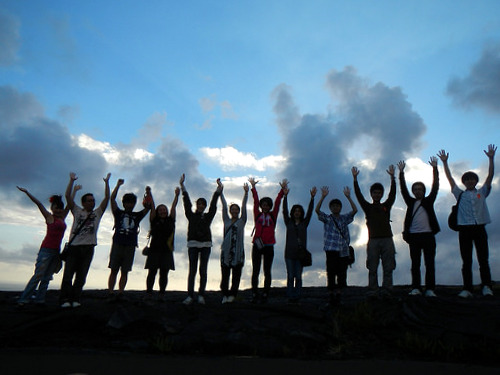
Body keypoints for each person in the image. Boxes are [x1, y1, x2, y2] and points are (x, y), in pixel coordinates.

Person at [438, 145, 496, 298]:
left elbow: (490, 177)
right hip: (464, 230)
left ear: (476, 181)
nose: (470, 181)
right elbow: (450, 180)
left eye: (472, 179)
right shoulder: (460, 194)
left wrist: (491, 158)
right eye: (467, 179)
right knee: (466, 260)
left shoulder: (482, 192)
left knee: (483, 259)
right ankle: (467, 288)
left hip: (479, 228)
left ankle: (486, 286)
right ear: (464, 182)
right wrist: (444, 163)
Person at [16, 185, 78, 306]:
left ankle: (40, 299)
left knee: (47, 277)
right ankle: (24, 299)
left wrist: (74, 190)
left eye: (60, 208)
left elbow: (70, 205)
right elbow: (39, 204)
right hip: (46, 250)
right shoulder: (49, 217)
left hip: (56, 251)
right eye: (56, 208)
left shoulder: (62, 218)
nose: (59, 210)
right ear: (52, 208)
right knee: (38, 276)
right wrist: (27, 192)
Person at [60, 172, 111, 308]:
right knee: (68, 274)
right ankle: (65, 299)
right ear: (83, 203)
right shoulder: (77, 211)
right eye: (89, 200)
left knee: (81, 276)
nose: (92, 202)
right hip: (74, 247)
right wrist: (71, 181)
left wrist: (107, 183)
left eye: (93, 200)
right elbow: (67, 197)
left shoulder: (97, 213)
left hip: (89, 248)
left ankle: (76, 298)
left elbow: (107, 197)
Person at [398, 157, 440, 297]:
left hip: (428, 236)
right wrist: (401, 173)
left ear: (424, 190)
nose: (417, 191)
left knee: (429, 264)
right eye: (415, 189)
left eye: (420, 189)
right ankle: (415, 287)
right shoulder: (410, 202)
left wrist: (435, 168)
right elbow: (403, 189)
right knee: (415, 264)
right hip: (414, 237)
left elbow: (436, 186)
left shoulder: (429, 201)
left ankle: (430, 289)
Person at [352, 165, 397, 295]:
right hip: (373, 241)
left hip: (387, 239)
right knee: (372, 266)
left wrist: (392, 178)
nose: (377, 194)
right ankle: (373, 289)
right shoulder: (367, 207)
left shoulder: (386, 206)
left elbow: (393, 194)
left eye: (379, 193)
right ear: (371, 194)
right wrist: (355, 179)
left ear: (382, 194)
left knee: (388, 266)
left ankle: (387, 288)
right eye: (374, 192)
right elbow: (359, 195)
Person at [180, 174, 222, 305]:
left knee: (203, 271)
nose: (201, 206)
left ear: (204, 206)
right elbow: (186, 203)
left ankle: (201, 295)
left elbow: (214, 206)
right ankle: (190, 296)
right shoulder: (191, 215)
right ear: (196, 205)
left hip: (206, 244)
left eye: (203, 204)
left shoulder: (208, 216)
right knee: (192, 271)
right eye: (199, 204)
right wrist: (182, 186)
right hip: (192, 244)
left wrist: (218, 191)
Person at [107, 179, 151, 299]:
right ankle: (111, 291)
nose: (130, 205)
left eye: (132, 203)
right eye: (128, 203)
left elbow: (149, 208)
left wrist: (148, 193)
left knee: (125, 270)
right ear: (124, 203)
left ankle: (121, 291)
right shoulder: (118, 213)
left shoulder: (137, 216)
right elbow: (112, 200)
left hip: (130, 245)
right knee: (114, 269)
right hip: (118, 243)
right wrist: (117, 186)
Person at [315, 186, 357, 306]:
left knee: (342, 272)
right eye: (333, 206)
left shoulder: (344, 218)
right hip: (331, 250)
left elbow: (355, 210)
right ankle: (331, 294)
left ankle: (338, 294)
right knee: (331, 272)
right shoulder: (328, 219)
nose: (335, 207)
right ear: (330, 208)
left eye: (337, 206)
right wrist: (322, 197)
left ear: (340, 207)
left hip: (343, 250)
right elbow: (317, 211)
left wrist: (349, 197)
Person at [248, 177, 288, 303]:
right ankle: (255, 293)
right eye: (263, 205)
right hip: (257, 245)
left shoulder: (273, 214)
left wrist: (282, 191)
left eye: (267, 205)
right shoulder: (257, 214)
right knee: (255, 270)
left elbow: (277, 202)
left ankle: (265, 293)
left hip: (269, 245)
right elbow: (255, 201)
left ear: (269, 206)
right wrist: (253, 188)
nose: (265, 206)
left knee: (267, 270)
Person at [144, 187, 180, 300]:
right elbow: (152, 207)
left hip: (167, 250)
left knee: (164, 273)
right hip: (154, 249)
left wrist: (176, 196)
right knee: (152, 273)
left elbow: (174, 207)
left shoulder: (171, 220)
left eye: (164, 209)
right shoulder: (154, 220)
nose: (163, 211)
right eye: (161, 210)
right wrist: (150, 194)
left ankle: (162, 293)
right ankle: (149, 292)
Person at [282, 185, 316, 303]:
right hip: (289, 254)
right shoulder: (288, 222)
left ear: (301, 213)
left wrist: (312, 198)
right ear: (293, 212)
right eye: (295, 211)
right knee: (290, 276)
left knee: (298, 277)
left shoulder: (304, 223)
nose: (297, 213)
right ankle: (290, 296)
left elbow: (310, 212)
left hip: (300, 255)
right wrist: (285, 196)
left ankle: (297, 296)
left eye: (299, 211)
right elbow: (284, 211)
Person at [219, 181, 249, 304]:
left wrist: (246, 194)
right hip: (226, 252)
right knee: (225, 276)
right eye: (233, 209)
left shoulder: (242, 221)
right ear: (231, 211)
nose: (235, 211)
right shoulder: (226, 220)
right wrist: (221, 193)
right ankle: (225, 295)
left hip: (238, 252)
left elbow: (244, 207)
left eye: (237, 209)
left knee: (236, 276)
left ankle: (233, 295)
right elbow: (224, 207)